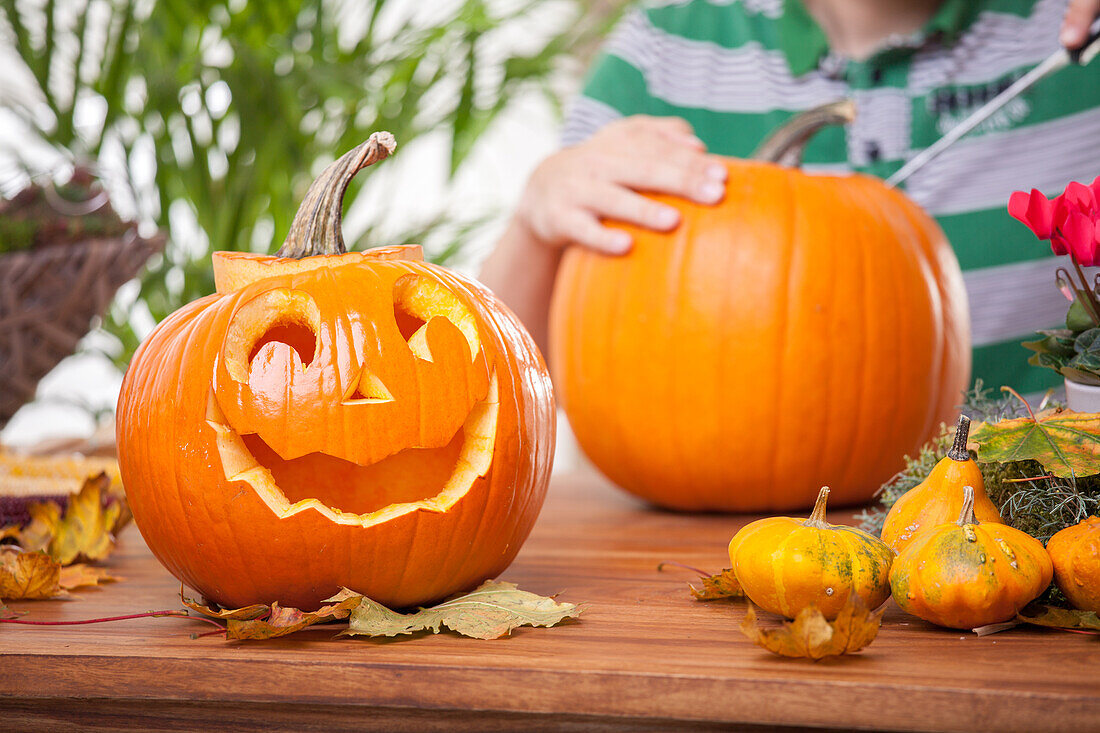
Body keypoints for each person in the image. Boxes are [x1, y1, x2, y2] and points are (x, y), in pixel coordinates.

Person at [480, 0, 1100, 394]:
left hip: (1044, 511)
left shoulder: (1075, 35)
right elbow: (501, 386)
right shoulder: (662, 53)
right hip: (707, 539)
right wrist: (538, 222)